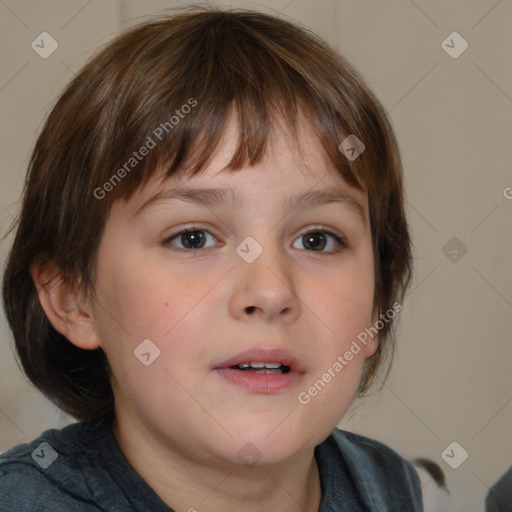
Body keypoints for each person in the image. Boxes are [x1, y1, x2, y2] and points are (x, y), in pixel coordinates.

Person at [0, 6, 420, 511]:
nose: (269, 291)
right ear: (73, 298)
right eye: (193, 238)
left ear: (379, 302)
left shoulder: (394, 489)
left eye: (317, 240)